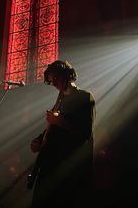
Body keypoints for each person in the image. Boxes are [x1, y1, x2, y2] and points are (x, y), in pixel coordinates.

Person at [28, 60, 96, 208]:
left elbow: (85, 133)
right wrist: (39, 141)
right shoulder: (59, 101)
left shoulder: (85, 97)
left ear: (68, 75)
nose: (53, 83)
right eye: (51, 81)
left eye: (56, 78)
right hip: (50, 167)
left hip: (68, 170)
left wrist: (60, 122)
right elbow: (53, 129)